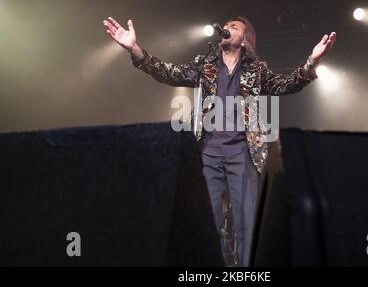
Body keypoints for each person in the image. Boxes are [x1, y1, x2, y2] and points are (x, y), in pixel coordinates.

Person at [103, 15, 336, 266]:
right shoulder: (205, 65)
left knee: (246, 225)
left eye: (234, 27)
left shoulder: (256, 70)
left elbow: (286, 85)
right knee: (207, 222)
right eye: (225, 26)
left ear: (245, 41)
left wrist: (312, 62)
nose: (226, 28)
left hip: (242, 155)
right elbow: (167, 73)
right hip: (207, 155)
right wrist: (135, 50)